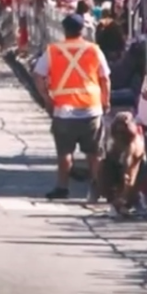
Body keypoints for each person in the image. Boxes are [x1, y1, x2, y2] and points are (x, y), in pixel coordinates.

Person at [37, 11, 110, 200]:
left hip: (64, 110)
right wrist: (106, 100)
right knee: (94, 153)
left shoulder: (53, 50)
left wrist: (47, 98)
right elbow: (105, 78)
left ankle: (62, 188)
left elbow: (38, 74)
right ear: (82, 30)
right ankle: (98, 188)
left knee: (64, 152)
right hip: (91, 108)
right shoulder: (94, 50)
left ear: (64, 30)